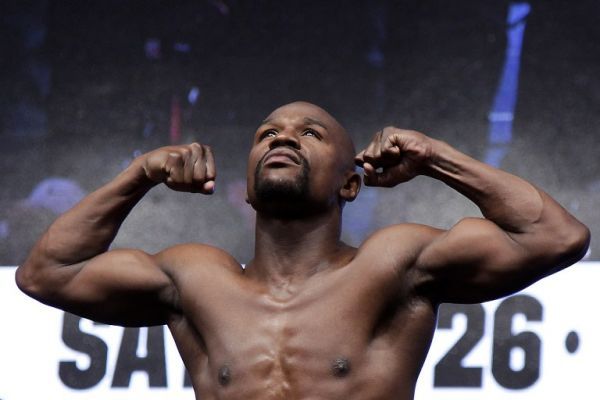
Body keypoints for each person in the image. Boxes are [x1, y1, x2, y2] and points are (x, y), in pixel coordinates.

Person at [16, 101, 589, 399]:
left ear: (349, 184)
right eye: (268, 134)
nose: (283, 136)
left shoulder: (392, 264)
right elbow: (46, 273)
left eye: (309, 133)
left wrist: (436, 155)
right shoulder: (196, 279)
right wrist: (137, 174)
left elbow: (556, 238)